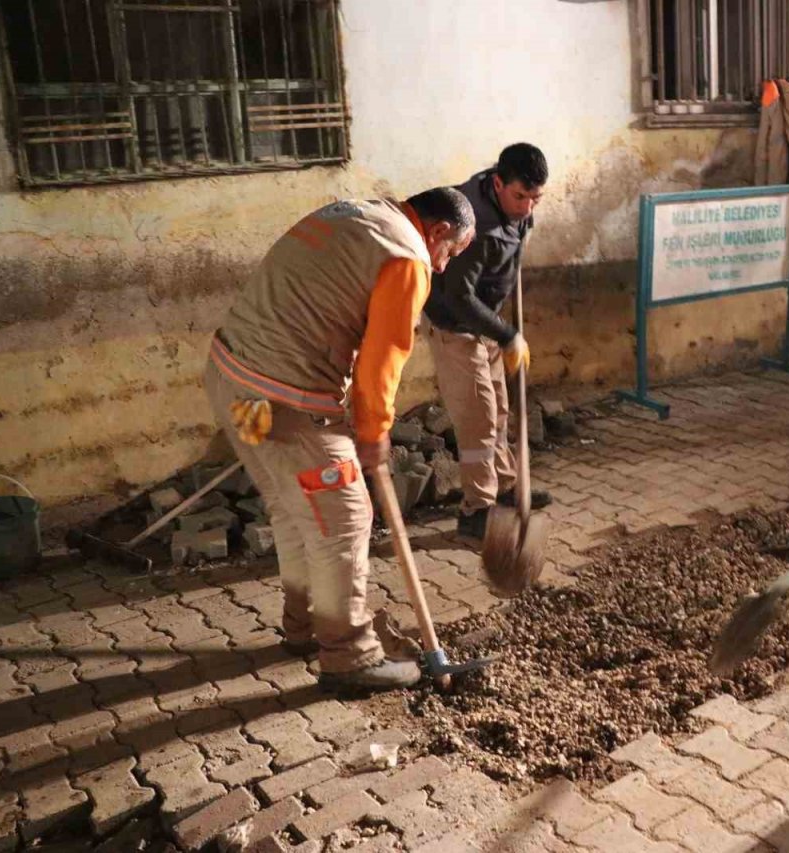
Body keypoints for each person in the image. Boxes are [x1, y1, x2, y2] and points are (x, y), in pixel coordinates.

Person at [204, 188, 475, 692]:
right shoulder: (406, 257)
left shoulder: (360, 215)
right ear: (438, 231)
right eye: (450, 253)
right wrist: (373, 433)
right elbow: (383, 358)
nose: (442, 267)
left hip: (231, 383)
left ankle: (305, 626)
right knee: (345, 518)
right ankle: (349, 655)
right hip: (284, 402)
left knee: (293, 509)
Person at [423, 143, 552, 540]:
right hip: (455, 328)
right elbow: (458, 297)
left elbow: (513, 248)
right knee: (478, 419)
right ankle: (475, 511)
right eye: (520, 196)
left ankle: (506, 487)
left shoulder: (514, 208)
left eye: (535, 198)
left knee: (498, 411)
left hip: (486, 323)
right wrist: (508, 334)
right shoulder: (472, 226)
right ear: (498, 184)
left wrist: (500, 330)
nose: (527, 207)